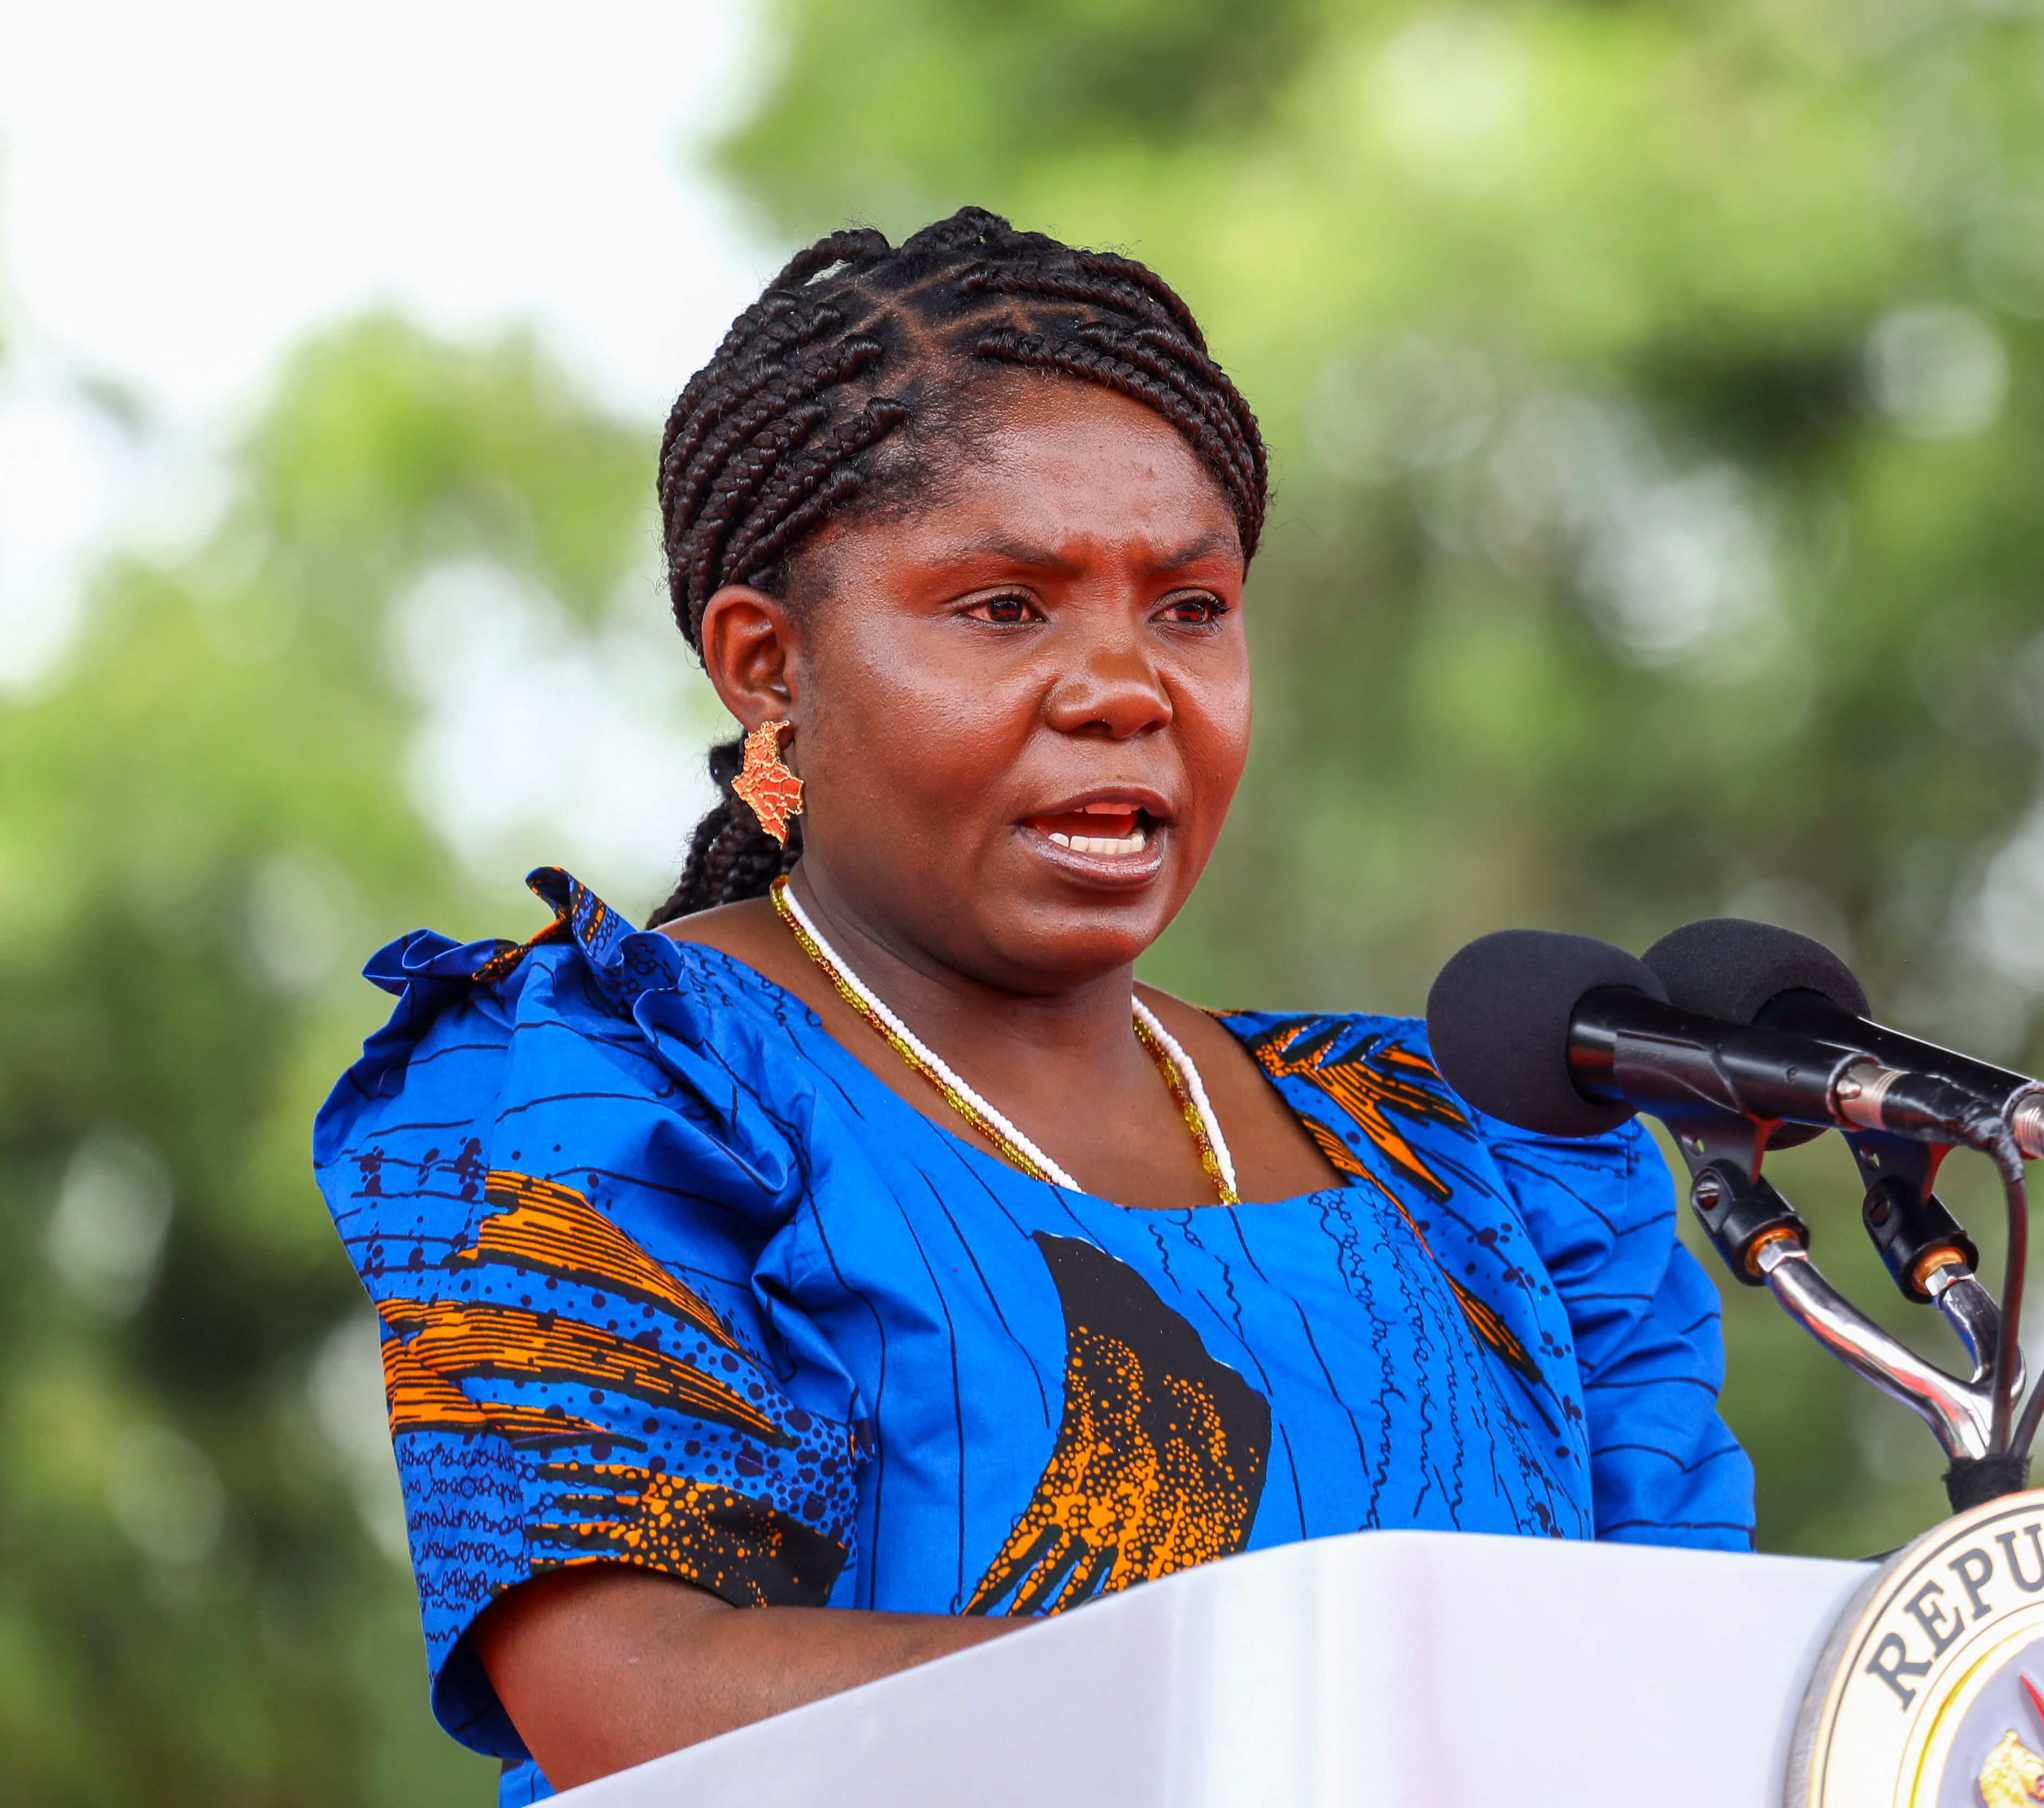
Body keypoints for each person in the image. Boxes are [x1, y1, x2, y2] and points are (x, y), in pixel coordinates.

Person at [314, 208, 1753, 1801]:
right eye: (1006, 608)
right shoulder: (612, 1084)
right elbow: (635, 1699)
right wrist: (1313, 1684)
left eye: (1190, 609)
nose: (1129, 687)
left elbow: (1685, 1680)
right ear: (766, 665)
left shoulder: (1487, 1157)